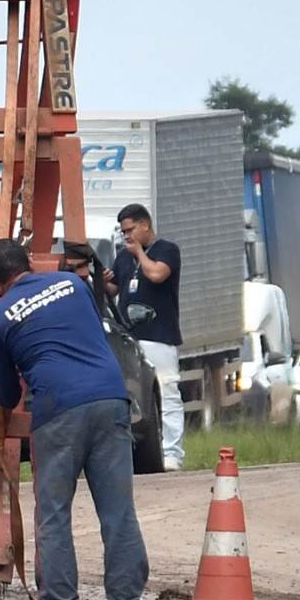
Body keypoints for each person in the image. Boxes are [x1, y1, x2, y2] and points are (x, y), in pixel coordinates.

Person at [0, 236, 148, 600]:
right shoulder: (72, 284)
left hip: (58, 413)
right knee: (118, 513)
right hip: (111, 400)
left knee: (54, 516)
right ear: (29, 264)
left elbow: (5, 395)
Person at [110, 202, 185, 472]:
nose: (127, 236)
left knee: (166, 391)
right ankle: (133, 452)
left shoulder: (166, 250)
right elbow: (113, 287)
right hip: (128, 337)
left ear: (145, 225)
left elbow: (156, 274)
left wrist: (139, 253)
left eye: (130, 230)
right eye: (123, 232)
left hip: (158, 335)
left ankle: (172, 452)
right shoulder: (122, 257)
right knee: (129, 393)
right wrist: (102, 279)